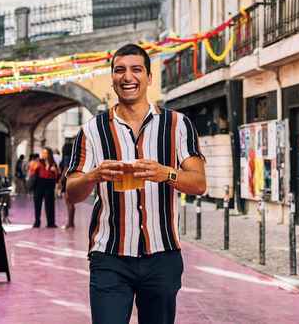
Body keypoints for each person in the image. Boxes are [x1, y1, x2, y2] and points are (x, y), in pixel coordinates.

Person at [65, 43, 206, 324]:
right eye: (120, 70)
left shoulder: (178, 125)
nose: (127, 77)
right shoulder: (92, 130)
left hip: (162, 257)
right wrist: (94, 175)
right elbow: (71, 193)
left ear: (149, 78)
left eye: (136, 69)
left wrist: (165, 173)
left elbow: (199, 183)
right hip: (109, 258)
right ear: (113, 78)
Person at [30, 148, 59, 228]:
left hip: (49, 183)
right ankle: (37, 222)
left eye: (45, 153)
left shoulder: (53, 163)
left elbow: (56, 175)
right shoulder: (38, 162)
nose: (43, 154)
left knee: (50, 204)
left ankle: (51, 223)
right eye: (42, 153)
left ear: (49, 154)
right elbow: (32, 170)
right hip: (39, 183)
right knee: (37, 203)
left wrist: (55, 170)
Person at [59, 141, 74, 229]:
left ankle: (69, 223)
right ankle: (71, 222)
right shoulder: (73, 157)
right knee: (71, 202)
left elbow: (65, 169)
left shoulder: (66, 157)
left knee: (68, 202)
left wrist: (61, 180)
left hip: (67, 180)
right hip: (71, 179)